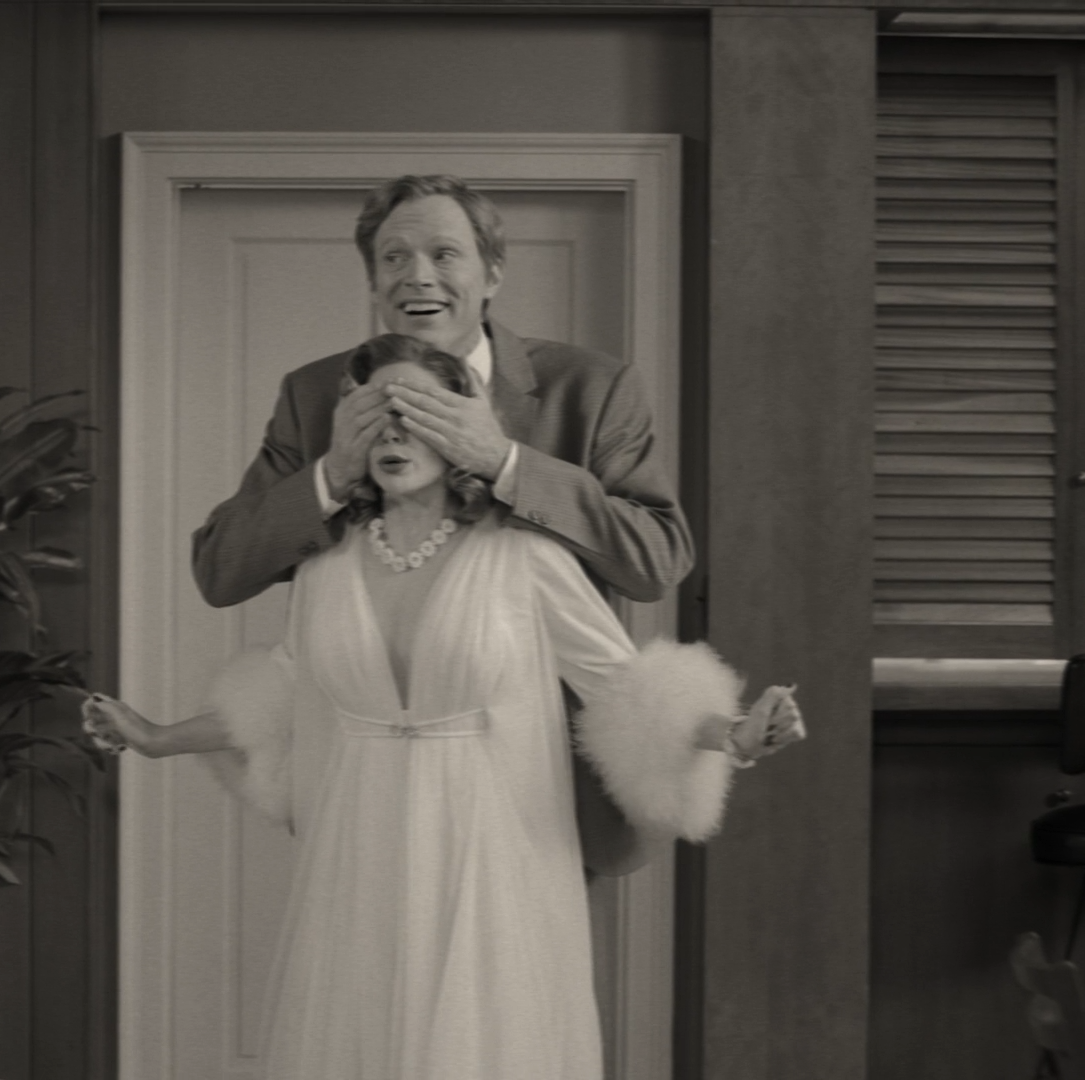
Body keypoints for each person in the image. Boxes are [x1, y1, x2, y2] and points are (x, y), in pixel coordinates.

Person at [86, 334, 804, 1080]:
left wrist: (735, 734)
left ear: (463, 427)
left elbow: (625, 689)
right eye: (375, 415)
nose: (393, 433)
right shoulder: (325, 565)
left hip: (492, 849)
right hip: (360, 849)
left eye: (416, 412)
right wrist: (155, 737)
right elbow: (284, 695)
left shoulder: (526, 555)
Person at [190, 174, 696, 875]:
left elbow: (657, 559)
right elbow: (220, 569)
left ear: (493, 273)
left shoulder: (591, 388)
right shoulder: (314, 395)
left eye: (444, 253)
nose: (417, 276)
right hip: (363, 792)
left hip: (545, 797)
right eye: (394, 257)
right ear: (373, 280)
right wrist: (332, 473)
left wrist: (506, 463)